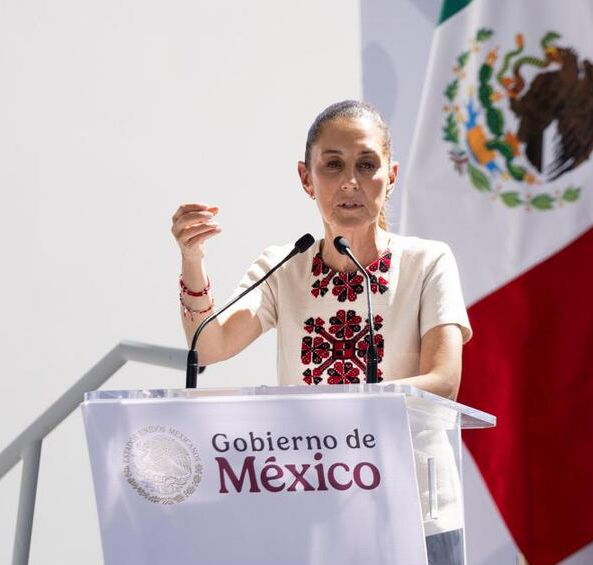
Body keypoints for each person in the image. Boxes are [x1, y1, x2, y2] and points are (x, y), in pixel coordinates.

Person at [171, 100, 472, 399]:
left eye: (366, 165)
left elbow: (443, 382)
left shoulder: (428, 262)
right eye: (333, 165)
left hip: (403, 449)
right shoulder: (283, 268)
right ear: (306, 179)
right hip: (312, 449)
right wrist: (192, 258)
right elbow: (210, 347)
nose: (350, 182)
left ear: (391, 178)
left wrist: (347, 404)